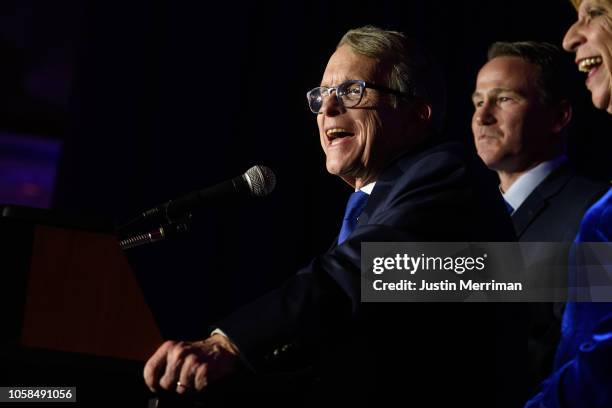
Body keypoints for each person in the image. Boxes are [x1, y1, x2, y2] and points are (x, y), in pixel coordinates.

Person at [144, 26, 516, 406]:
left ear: (417, 114)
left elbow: (364, 271)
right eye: (322, 95)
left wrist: (232, 343)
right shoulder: (372, 205)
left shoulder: (447, 174)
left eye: (352, 91)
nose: (328, 108)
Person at [471, 40, 609, 393]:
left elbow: (591, 356)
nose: (482, 116)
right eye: (478, 101)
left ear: (559, 116)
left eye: (504, 99)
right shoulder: (465, 216)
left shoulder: (595, 212)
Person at [525, 1, 612, 407]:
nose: (481, 116)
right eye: (476, 101)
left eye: (594, 12)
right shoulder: (475, 210)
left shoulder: (592, 205)